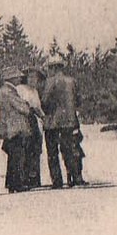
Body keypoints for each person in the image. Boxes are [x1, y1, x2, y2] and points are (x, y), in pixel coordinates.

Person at [40, 54, 85, 188]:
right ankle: (74, 178)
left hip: (53, 123)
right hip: (70, 121)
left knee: (53, 152)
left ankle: (57, 181)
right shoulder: (72, 81)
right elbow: (78, 101)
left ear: (52, 68)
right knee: (70, 150)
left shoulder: (49, 82)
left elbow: (45, 101)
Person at [0, 68, 36, 193]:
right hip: (15, 129)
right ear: (12, 78)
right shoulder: (9, 91)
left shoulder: (4, 91)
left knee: (13, 157)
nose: (20, 78)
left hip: (9, 129)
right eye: (17, 77)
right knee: (17, 156)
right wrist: (28, 106)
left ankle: (11, 183)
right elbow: (23, 108)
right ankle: (17, 183)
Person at [19, 69, 46, 189]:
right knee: (26, 149)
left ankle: (34, 178)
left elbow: (38, 108)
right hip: (26, 121)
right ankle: (25, 179)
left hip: (35, 121)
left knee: (35, 150)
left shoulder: (34, 91)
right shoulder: (21, 89)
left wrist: (43, 117)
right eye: (30, 77)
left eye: (35, 78)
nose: (33, 80)